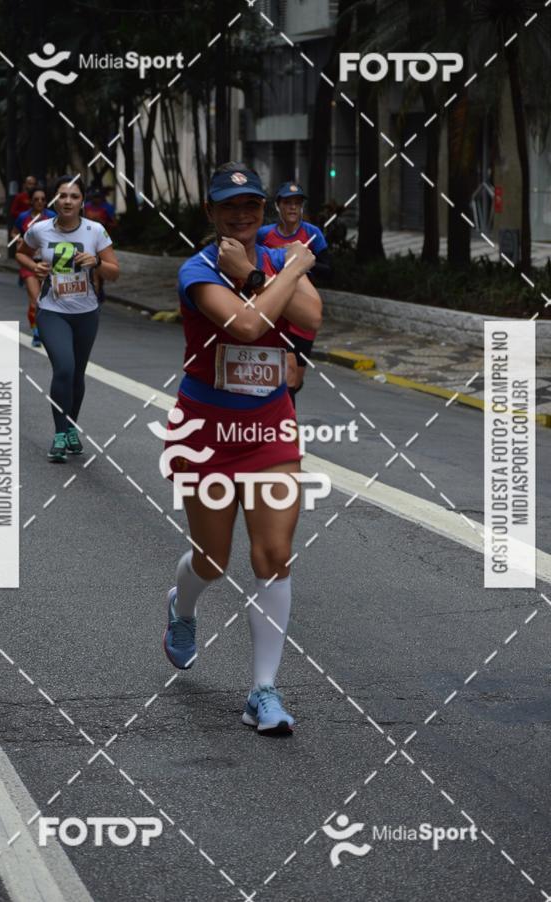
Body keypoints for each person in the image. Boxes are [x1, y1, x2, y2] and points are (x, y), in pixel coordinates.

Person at [162, 163, 321, 734]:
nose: (242, 214)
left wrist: (259, 273)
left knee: (273, 556)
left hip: (269, 427)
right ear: (210, 212)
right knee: (212, 557)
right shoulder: (196, 269)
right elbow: (249, 329)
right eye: (229, 205)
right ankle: (181, 611)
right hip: (205, 433)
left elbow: (310, 316)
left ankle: (263, 690)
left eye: (251, 204)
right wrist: (274, 275)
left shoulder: (273, 261)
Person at [15, 175, 119, 461]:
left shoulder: (95, 230)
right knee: (64, 367)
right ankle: (60, 434)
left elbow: (114, 270)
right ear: (55, 201)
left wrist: (96, 262)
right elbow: (20, 254)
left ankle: (71, 427)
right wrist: (35, 265)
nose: (68, 201)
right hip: (52, 311)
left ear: (82, 201)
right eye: (62, 196)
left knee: (77, 374)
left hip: (86, 313)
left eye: (74, 196)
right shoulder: (40, 230)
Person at [257, 182, 332, 406]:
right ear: (278, 206)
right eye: (287, 203)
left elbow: (330, 270)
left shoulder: (312, 234)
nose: (292, 208)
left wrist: (300, 264)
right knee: (287, 371)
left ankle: (287, 400)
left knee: (296, 378)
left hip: (302, 309)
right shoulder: (264, 235)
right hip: (277, 310)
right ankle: (285, 427)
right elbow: (253, 259)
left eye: (297, 204)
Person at [12, 186, 55, 347]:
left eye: (43, 199)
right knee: (35, 298)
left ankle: (44, 327)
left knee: (45, 299)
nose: (40, 202)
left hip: (47, 263)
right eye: (36, 199)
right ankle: (36, 331)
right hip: (28, 262)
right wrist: (19, 240)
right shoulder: (23, 217)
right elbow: (15, 231)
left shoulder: (51, 217)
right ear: (31, 201)